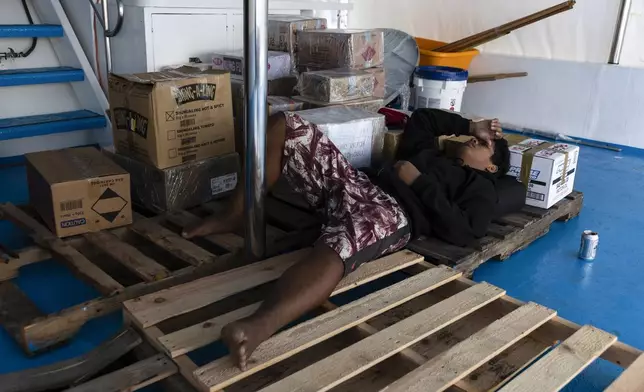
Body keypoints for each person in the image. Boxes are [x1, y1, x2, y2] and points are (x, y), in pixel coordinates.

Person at [182, 108, 510, 370]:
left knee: (338, 247)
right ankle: (235, 213)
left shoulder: (480, 188)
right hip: (357, 183)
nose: (474, 142)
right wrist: (471, 124)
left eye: (483, 146)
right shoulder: (434, 156)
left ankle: (256, 327)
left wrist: (420, 182)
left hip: (391, 213)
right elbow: (423, 119)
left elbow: (466, 230)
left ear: (493, 168)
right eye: (476, 139)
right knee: (285, 125)